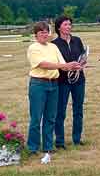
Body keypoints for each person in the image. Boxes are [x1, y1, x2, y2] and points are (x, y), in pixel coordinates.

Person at [27, 21, 81, 156]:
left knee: (50, 117)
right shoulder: (34, 48)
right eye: (41, 33)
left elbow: (62, 63)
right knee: (36, 118)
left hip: (54, 84)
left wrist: (72, 66)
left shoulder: (53, 47)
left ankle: (48, 146)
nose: (45, 35)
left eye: (46, 32)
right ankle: (32, 147)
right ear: (36, 35)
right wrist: (62, 66)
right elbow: (43, 64)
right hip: (38, 84)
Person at [52, 16, 87, 149]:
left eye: (70, 24)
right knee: (60, 111)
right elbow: (55, 63)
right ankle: (60, 141)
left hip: (79, 80)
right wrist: (67, 66)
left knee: (78, 110)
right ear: (59, 27)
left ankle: (77, 139)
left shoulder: (77, 40)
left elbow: (83, 57)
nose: (68, 27)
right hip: (62, 81)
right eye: (65, 24)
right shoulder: (54, 44)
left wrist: (82, 63)